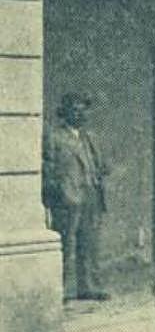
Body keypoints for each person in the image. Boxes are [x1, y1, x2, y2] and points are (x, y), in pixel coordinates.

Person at [42, 92, 110, 301]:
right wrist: (58, 189)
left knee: (89, 244)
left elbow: (102, 165)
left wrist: (100, 171)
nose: (80, 114)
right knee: (65, 244)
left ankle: (88, 287)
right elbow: (46, 165)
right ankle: (60, 289)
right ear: (65, 113)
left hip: (91, 195)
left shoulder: (90, 137)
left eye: (83, 110)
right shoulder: (55, 136)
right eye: (75, 110)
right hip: (67, 197)